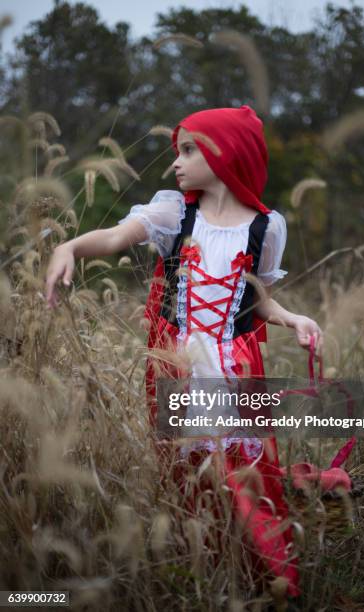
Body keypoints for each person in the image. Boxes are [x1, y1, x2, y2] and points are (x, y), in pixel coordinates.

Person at [45, 105, 324, 598]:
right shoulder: (175, 213)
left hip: (236, 367)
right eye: (179, 150)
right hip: (178, 365)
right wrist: (68, 247)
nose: (177, 161)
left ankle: (275, 580)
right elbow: (112, 237)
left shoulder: (266, 228)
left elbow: (256, 299)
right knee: (187, 477)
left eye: (190, 149)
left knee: (248, 476)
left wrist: (292, 318)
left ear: (227, 153)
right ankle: (206, 574)